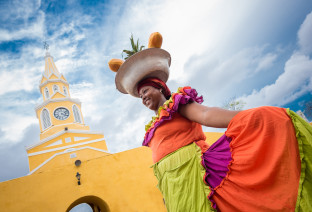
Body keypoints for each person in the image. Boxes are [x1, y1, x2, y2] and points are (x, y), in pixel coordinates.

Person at [110, 44, 312, 211]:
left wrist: (246, 117)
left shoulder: (177, 104)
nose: (143, 97)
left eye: (145, 90)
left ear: (159, 87)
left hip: (196, 175)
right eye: (140, 95)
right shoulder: (152, 128)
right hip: (173, 187)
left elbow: (206, 115)